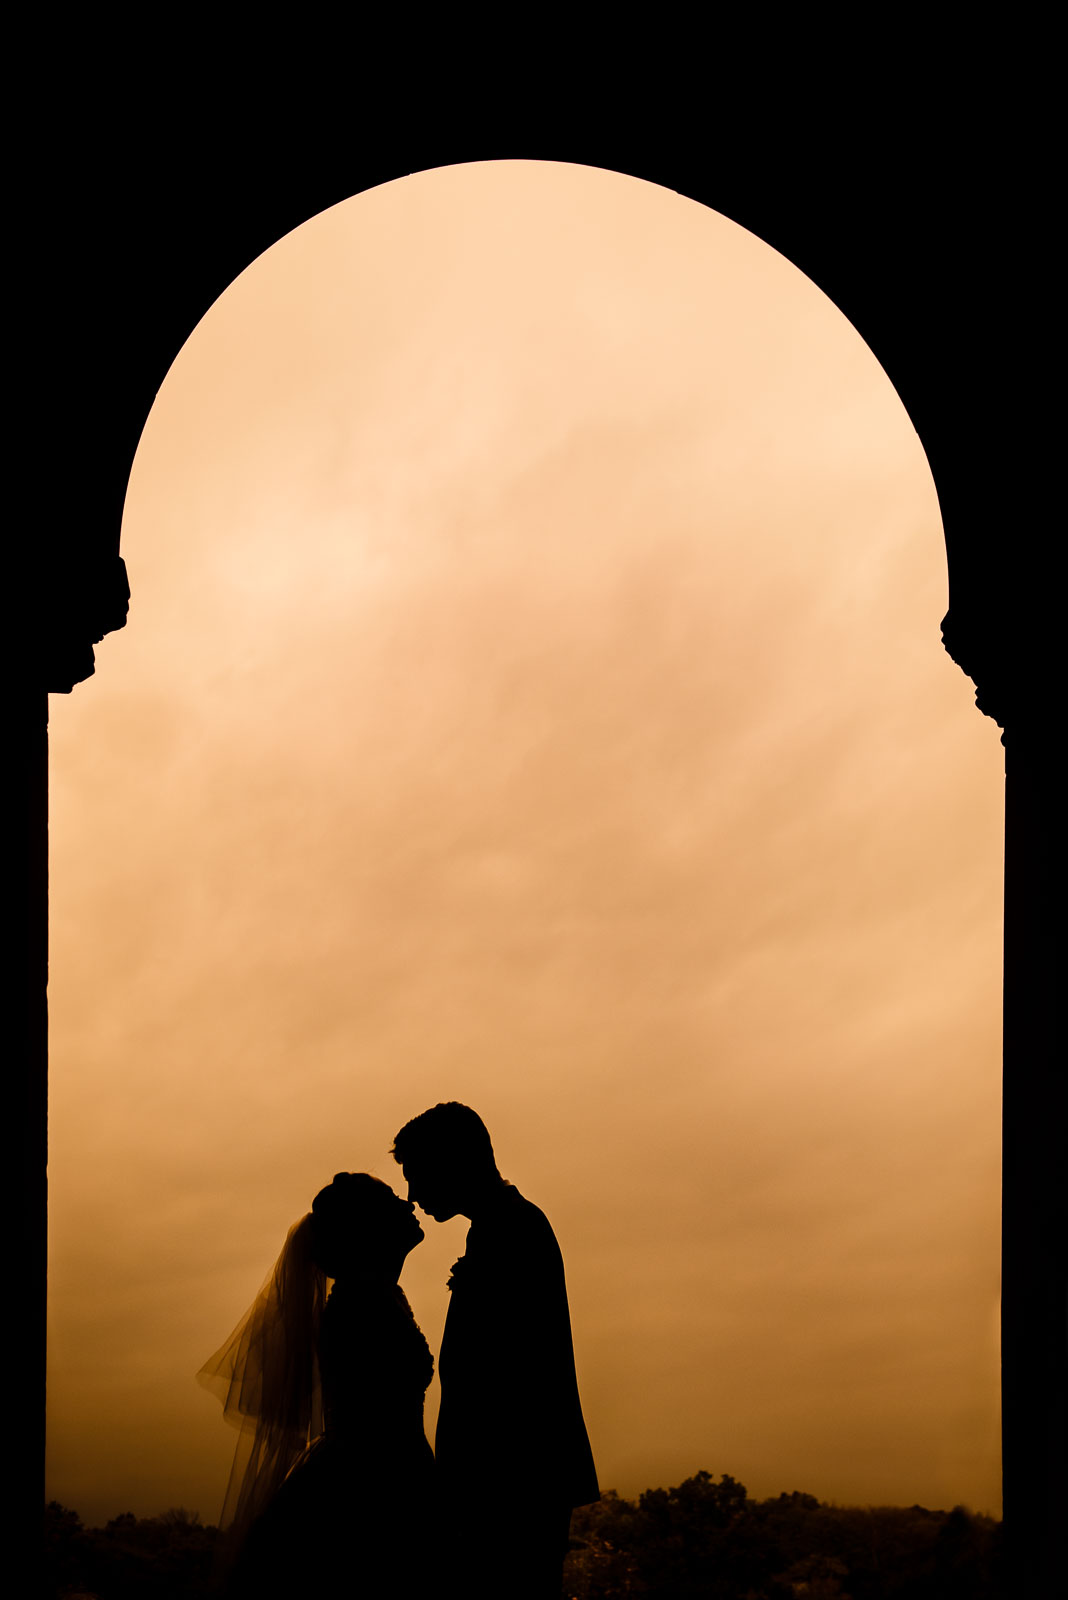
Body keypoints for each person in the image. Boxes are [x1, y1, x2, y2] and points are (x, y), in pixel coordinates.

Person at [392, 1102, 599, 1599]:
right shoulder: (498, 1227)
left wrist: (464, 1488)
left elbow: (510, 1377)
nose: (413, 1195)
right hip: (505, 1480)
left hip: (512, 1483)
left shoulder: (514, 1230)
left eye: (417, 1175)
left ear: (454, 1163)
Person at [198, 1172, 436, 1597]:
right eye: (392, 1201)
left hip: (389, 1472)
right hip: (371, 1488)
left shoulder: (379, 1295)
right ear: (369, 1229)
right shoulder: (362, 1306)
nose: (409, 1205)